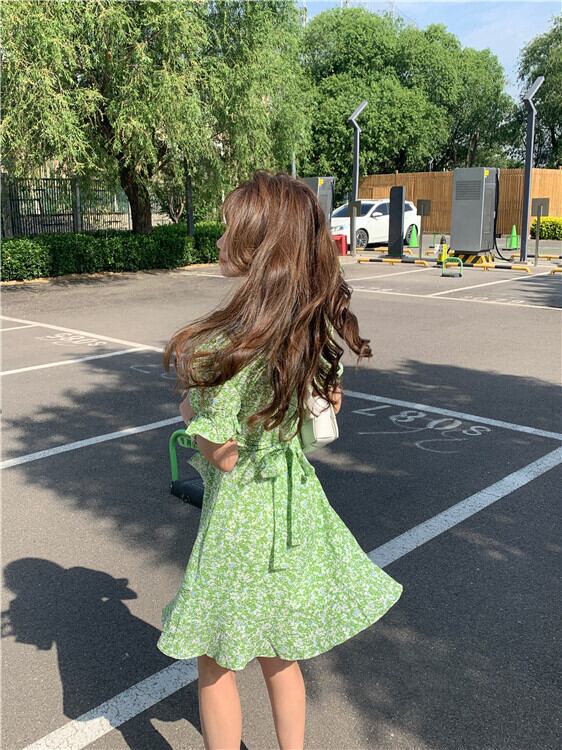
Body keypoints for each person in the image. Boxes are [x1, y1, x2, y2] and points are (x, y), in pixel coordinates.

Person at [156, 169, 404, 750]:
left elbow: (221, 456)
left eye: (229, 230)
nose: (220, 240)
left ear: (259, 247)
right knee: (279, 651)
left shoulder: (224, 347)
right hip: (294, 513)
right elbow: (314, 430)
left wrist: (191, 411)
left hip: (239, 521)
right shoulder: (306, 336)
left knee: (216, 656)